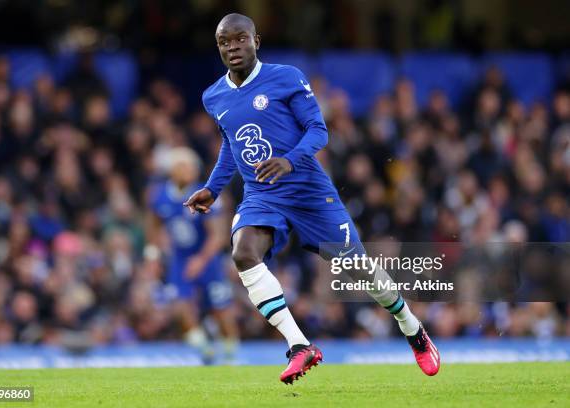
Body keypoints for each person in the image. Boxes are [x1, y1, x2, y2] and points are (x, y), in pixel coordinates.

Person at [184, 13, 440, 383]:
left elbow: (318, 131)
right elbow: (231, 143)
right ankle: (299, 345)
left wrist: (289, 161)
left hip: (308, 191)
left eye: (241, 39)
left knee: (360, 271)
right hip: (262, 194)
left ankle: (411, 327)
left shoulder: (286, 77)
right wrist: (213, 186)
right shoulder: (214, 96)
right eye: (225, 41)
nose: (233, 47)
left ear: (256, 41)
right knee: (242, 252)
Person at [147, 147, 239, 363]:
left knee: (221, 309)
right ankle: (204, 348)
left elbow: (217, 235)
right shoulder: (158, 195)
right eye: (184, 166)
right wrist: (152, 256)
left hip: (207, 258)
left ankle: (230, 353)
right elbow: (153, 227)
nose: (190, 170)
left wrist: (201, 260)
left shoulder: (204, 194)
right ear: (172, 170)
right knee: (179, 307)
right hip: (180, 258)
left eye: (192, 166)